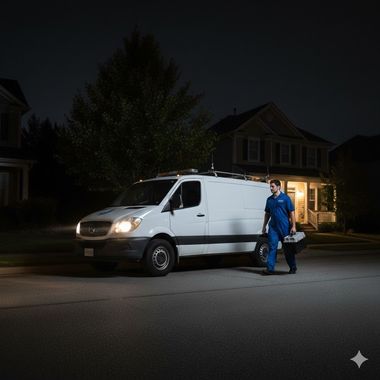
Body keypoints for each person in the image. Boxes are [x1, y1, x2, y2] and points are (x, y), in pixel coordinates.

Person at [261, 179, 297, 275]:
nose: (271, 188)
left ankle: (293, 267)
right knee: (272, 247)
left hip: (285, 227)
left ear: (278, 187)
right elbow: (267, 214)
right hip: (273, 227)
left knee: (287, 249)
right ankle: (270, 269)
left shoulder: (285, 198)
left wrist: (293, 226)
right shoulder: (269, 200)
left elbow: (292, 212)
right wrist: (264, 226)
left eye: (272, 186)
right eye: (270, 186)